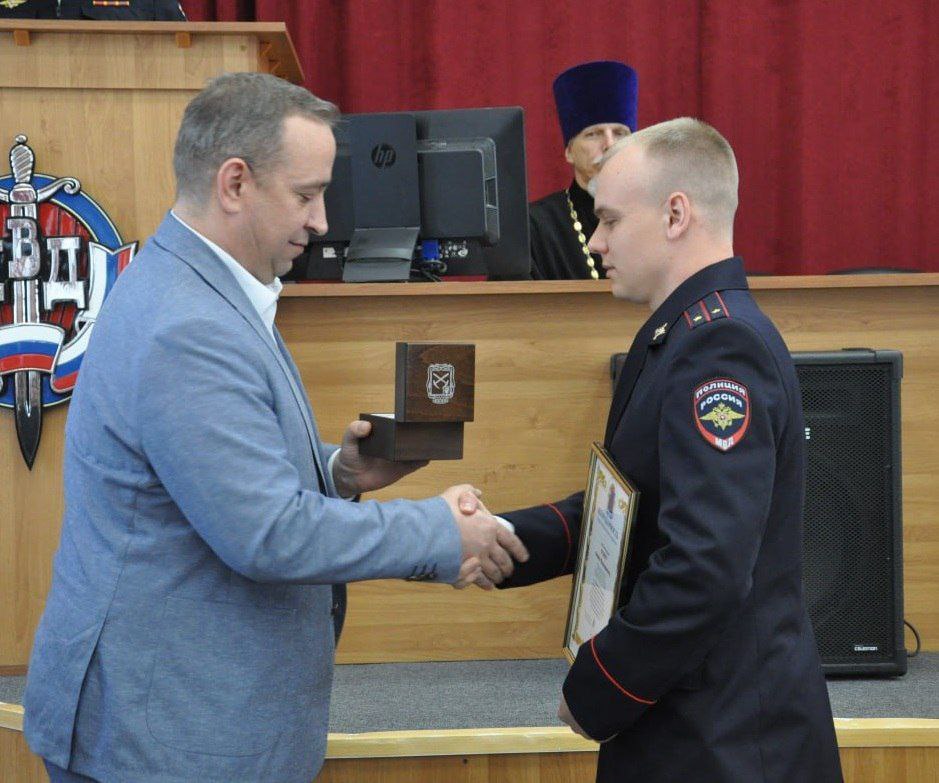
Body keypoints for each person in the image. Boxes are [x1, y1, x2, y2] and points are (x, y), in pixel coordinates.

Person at [23, 72, 527, 783]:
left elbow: (202, 475)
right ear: (235, 183)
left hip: (174, 717)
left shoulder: (195, 285)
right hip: (164, 736)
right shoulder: (188, 325)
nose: (321, 221)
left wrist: (336, 473)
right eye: (306, 194)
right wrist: (441, 532)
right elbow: (266, 533)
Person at [467, 118, 844, 781]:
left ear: (675, 215)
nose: (594, 240)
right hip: (698, 728)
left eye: (609, 219)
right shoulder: (682, 334)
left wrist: (601, 683)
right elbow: (634, 506)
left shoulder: (719, 347)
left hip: (726, 741)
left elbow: (705, 565)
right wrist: (503, 539)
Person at [529, 60, 638, 280]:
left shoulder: (656, 214)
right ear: (569, 152)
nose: (609, 145)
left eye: (620, 133)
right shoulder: (534, 226)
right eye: (593, 134)